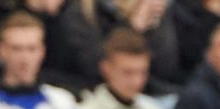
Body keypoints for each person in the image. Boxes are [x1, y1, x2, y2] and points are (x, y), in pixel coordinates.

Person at [33, 0, 180, 97]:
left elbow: (166, 67)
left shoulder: (151, 7)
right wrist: (134, 27)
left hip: (146, 95)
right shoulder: (81, 11)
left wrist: (155, 28)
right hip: (90, 92)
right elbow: (94, 66)